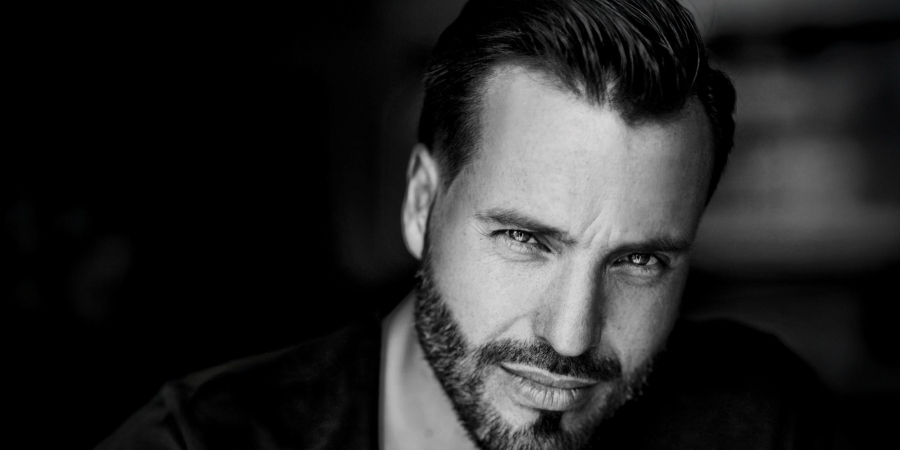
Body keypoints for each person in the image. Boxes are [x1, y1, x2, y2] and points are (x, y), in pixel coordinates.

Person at [96, 0, 832, 449]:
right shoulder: (197, 442)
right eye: (525, 239)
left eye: (639, 261)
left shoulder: (757, 418)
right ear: (421, 203)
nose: (569, 338)